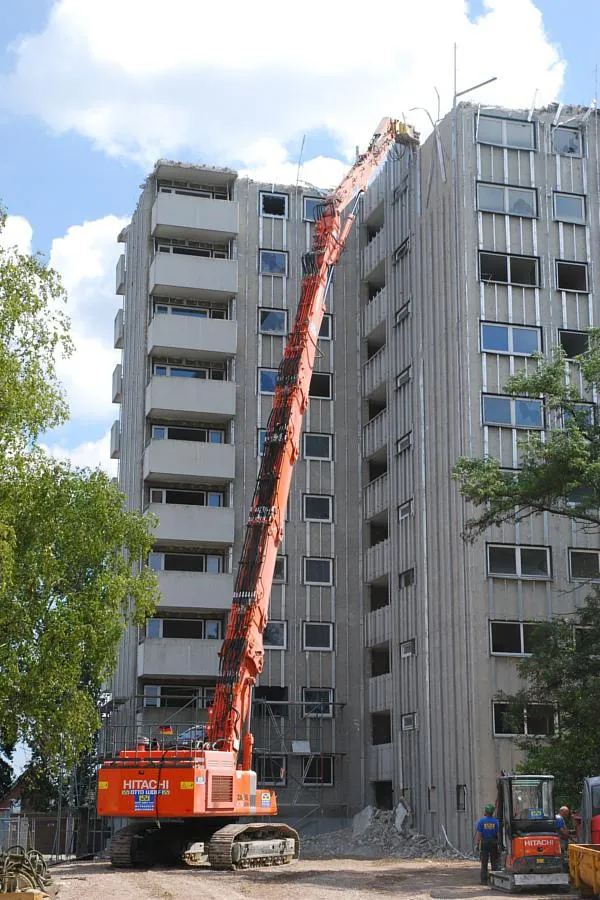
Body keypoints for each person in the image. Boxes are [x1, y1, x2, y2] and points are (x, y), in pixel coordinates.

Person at [476, 802, 501, 885]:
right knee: (494, 862)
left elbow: (479, 834)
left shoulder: (481, 821)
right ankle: (495, 881)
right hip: (494, 842)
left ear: (486, 812)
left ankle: (484, 881)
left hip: (485, 842)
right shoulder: (496, 822)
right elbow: (498, 834)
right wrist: (499, 844)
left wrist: (477, 844)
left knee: (484, 862)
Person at [555, 805, 570, 871]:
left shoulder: (560, 818)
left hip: (561, 839)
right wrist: (568, 835)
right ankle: (561, 868)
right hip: (560, 840)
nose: (567, 813)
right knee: (561, 853)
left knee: (562, 853)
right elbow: (561, 830)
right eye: (565, 811)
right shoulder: (559, 818)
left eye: (567, 812)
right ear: (561, 811)